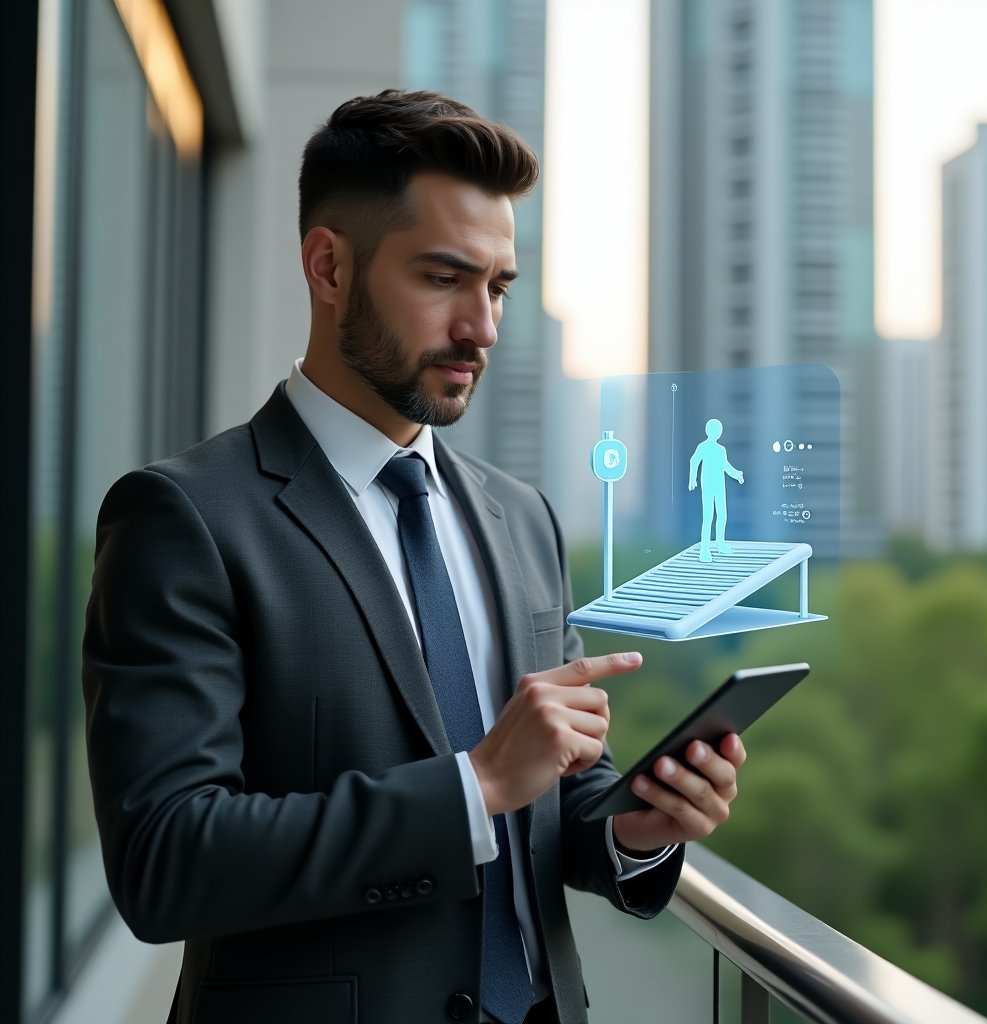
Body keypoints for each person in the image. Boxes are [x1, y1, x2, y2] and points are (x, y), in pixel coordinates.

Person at [82, 89, 747, 1024]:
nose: (483, 328)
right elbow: (165, 858)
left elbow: (546, 783)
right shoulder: (184, 518)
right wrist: (471, 787)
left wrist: (632, 828)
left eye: (499, 286)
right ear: (328, 267)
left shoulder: (524, 519)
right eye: (444, 279)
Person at [688, 418, 744, 562]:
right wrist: (692, 479)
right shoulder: (703, 447)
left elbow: (725, 466)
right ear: (709, 431)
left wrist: (737, 474)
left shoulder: (721, 450)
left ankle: (720, 543)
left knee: (722, 515)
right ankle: (704, 550)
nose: (717, 432)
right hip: (708, 485)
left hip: (719, 485)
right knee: (708, 517)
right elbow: (694, 461)